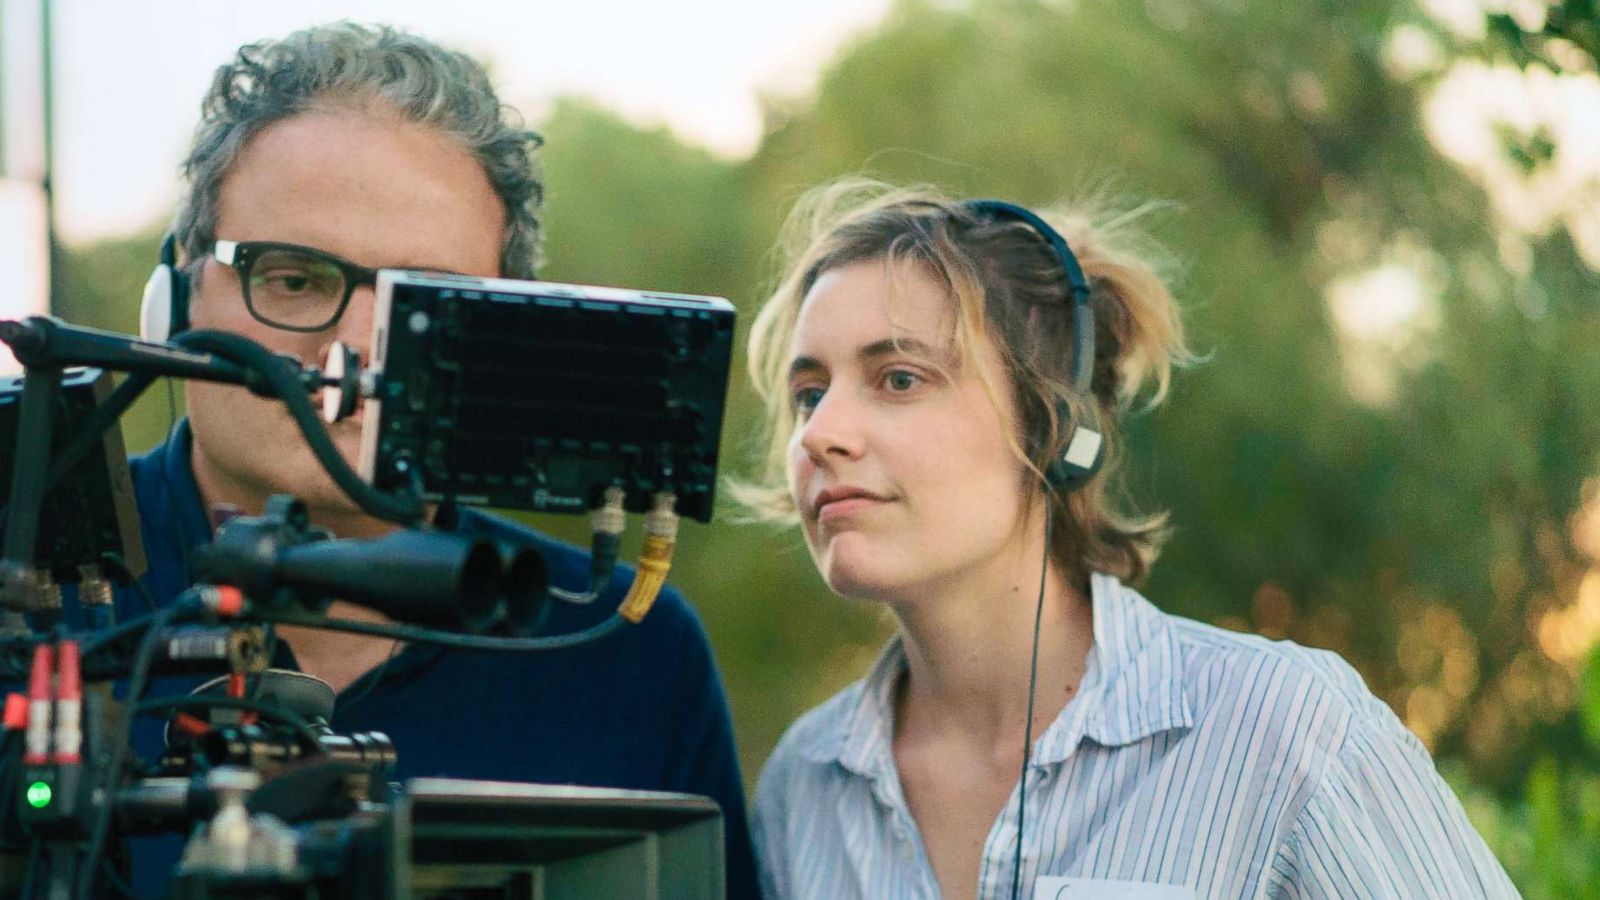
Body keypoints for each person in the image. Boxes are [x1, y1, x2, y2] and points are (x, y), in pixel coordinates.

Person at [102, 23, 757, 898]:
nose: (353, 351)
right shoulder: (21, 593)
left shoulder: (634, 655)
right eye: (295, 279)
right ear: (174, 300)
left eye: (424, 304)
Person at [740, 179, 1518, 899]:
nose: (821, 434)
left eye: (899, 378)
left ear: (1051, 427)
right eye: (810, 394)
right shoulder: (800, 789)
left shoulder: (1290, 733)